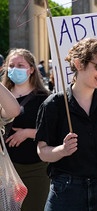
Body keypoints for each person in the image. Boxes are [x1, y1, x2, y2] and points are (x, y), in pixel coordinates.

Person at [35, 37, 97, 211]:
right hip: (67, 191)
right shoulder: (53, 104)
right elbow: (42, 152)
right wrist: (62, 150)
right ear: (78, 64)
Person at [2, 48, 50, 211]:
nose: (15, 69)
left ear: (31, 69)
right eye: (11, 65)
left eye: (20, 65)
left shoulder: (45, 98)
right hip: (6, 169)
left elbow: (55, 132)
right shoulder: (3, 97)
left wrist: (28, 133)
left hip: (36, 168)